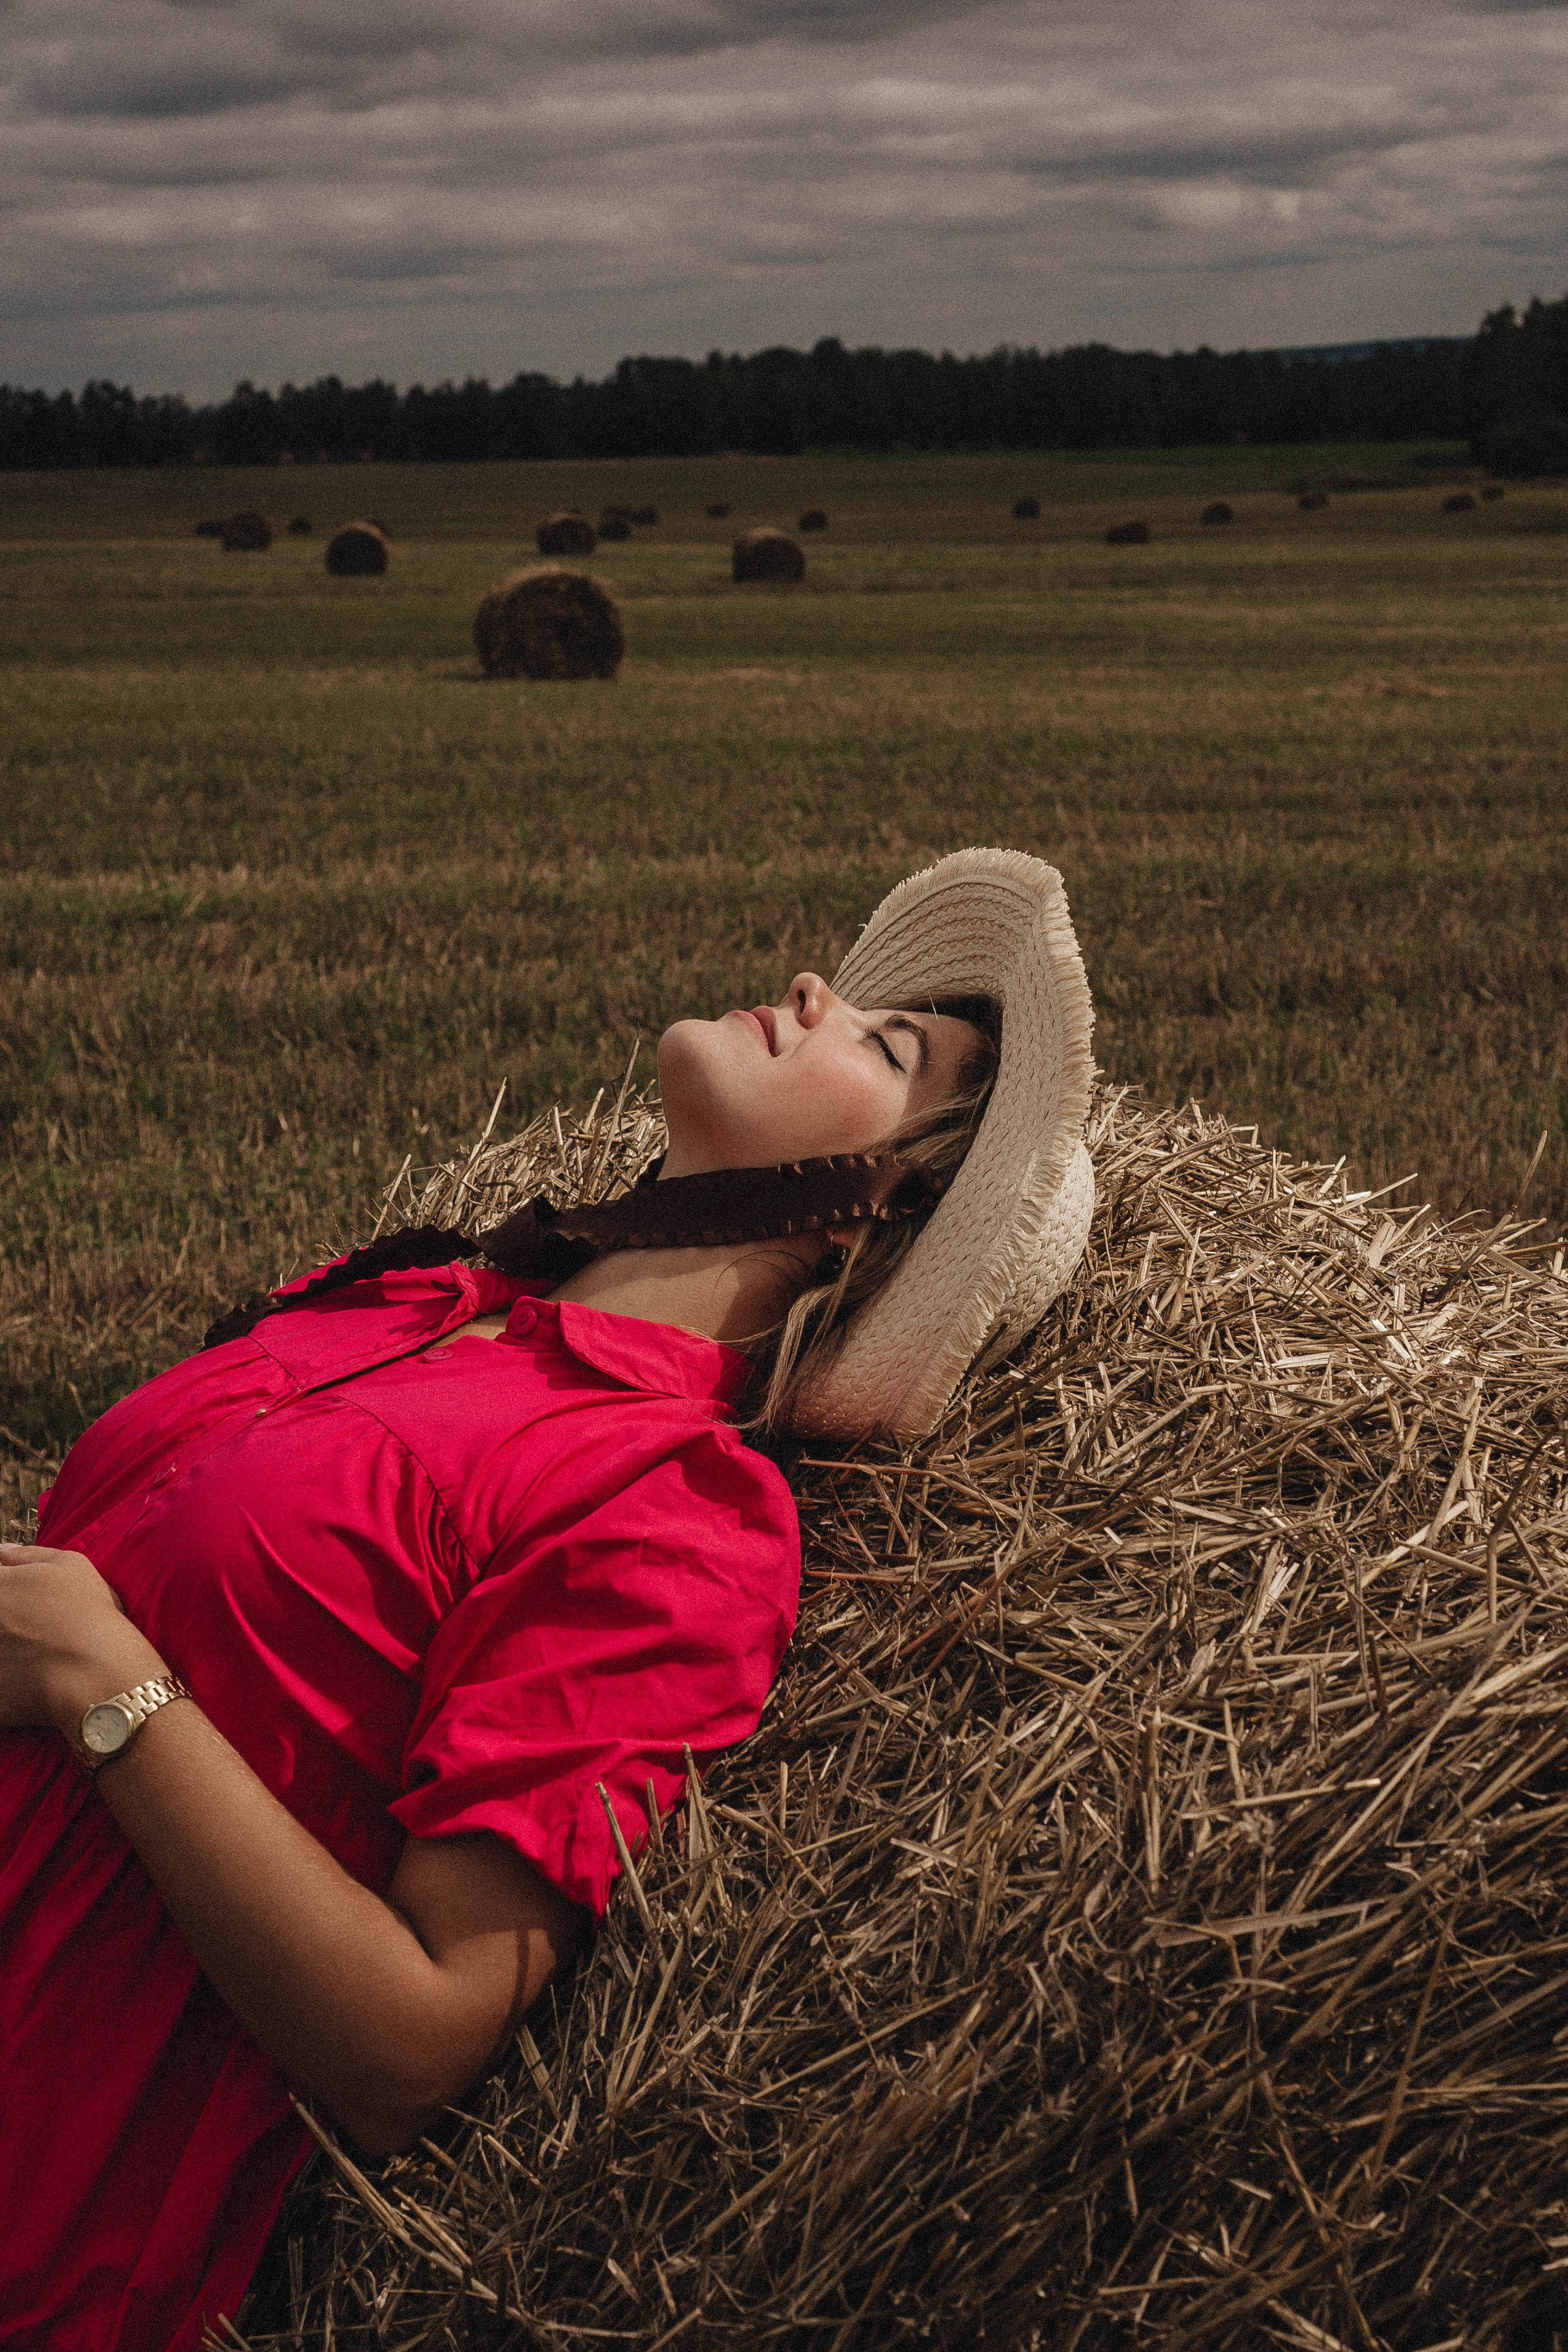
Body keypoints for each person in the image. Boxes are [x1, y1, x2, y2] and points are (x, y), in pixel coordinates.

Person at [0, 848, 1095, 2352]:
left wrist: (98, 1684)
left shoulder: (669, 1511)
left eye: (883, 1045)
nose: (810, 990)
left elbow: (410, 2043)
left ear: (869, 1216)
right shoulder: (414, 1298)